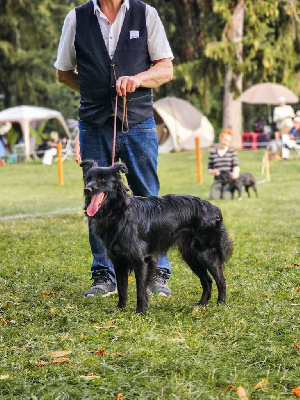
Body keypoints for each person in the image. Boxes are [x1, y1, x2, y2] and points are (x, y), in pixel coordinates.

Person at [55, 0, 174, 298]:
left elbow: (165, 68)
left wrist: (137, 79)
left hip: (138, 122)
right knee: (96, 197)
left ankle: (157, 271)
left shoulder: (146, 14)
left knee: (148, 193)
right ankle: (102, 275)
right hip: (94, 123)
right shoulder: (76, 18)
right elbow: (63, 72)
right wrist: (97, 91)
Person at [208, 129, 240, 200]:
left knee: (226, 198)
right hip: (218, 180)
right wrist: (213, 171)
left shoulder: (232, 152)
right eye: (224, 140)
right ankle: (219, 190)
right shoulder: (213, 153)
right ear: (220, 138)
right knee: (214, 198)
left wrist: (235, 173)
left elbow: (236, 166)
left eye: (228, 141)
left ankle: (230, 192)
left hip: (229, 180)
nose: (225, 142)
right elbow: (209, 169)